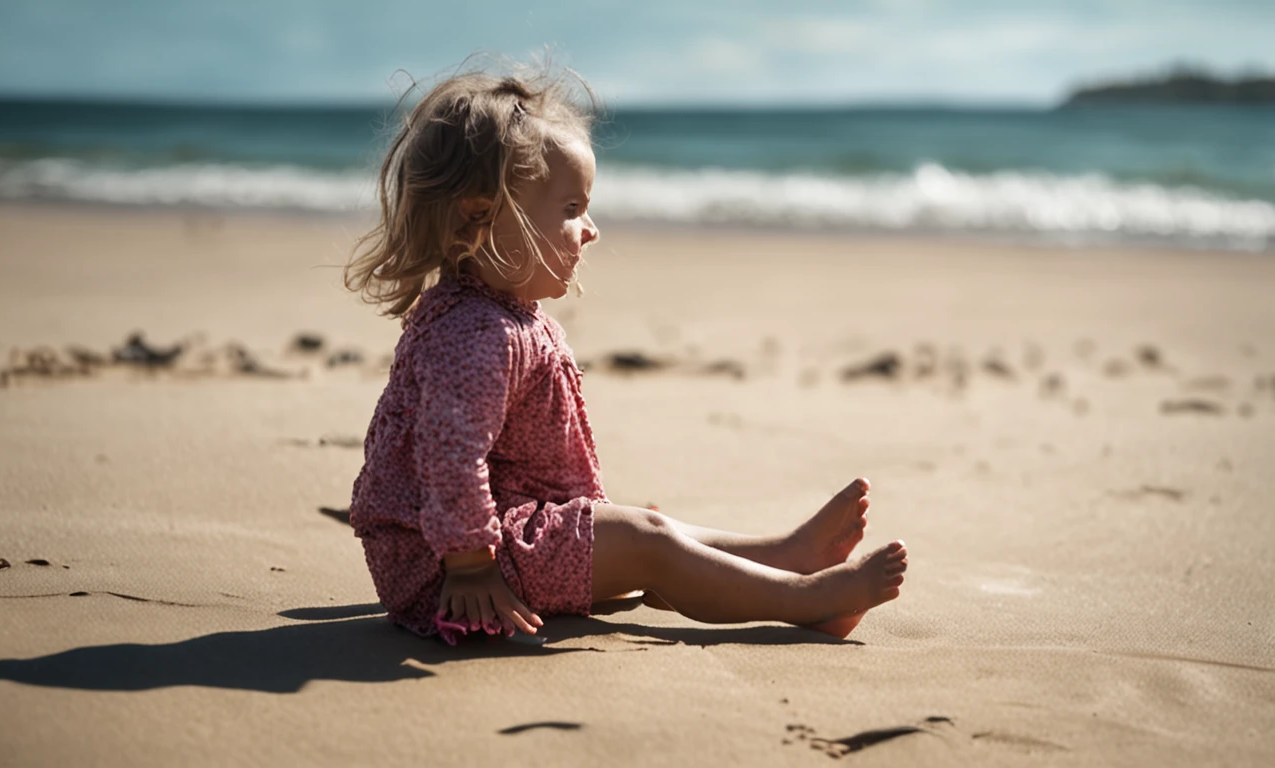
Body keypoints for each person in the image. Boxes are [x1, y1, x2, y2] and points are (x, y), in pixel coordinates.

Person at [345, 65, 907, 645]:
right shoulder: (478, 333)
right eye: (570, 208)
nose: (589, 229)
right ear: (481, 214)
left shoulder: (497, 313)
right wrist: (469, 563)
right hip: (455, 569)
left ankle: (786, 553)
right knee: (648, 543)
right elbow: (448, 451)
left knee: (651, 529)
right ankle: (809, 601)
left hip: (500, 535)